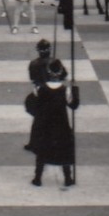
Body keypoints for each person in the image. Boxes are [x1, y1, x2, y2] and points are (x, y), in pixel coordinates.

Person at [25, 59, 78, 187]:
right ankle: (68, 178)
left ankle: (37, 178)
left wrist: (38, 115)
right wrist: (75, 90)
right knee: (64, 151)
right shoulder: (66, 90)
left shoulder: (40, 88)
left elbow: (31, 104)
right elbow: (74, 106)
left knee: (42, 152)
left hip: (45, 125)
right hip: (61, 125)